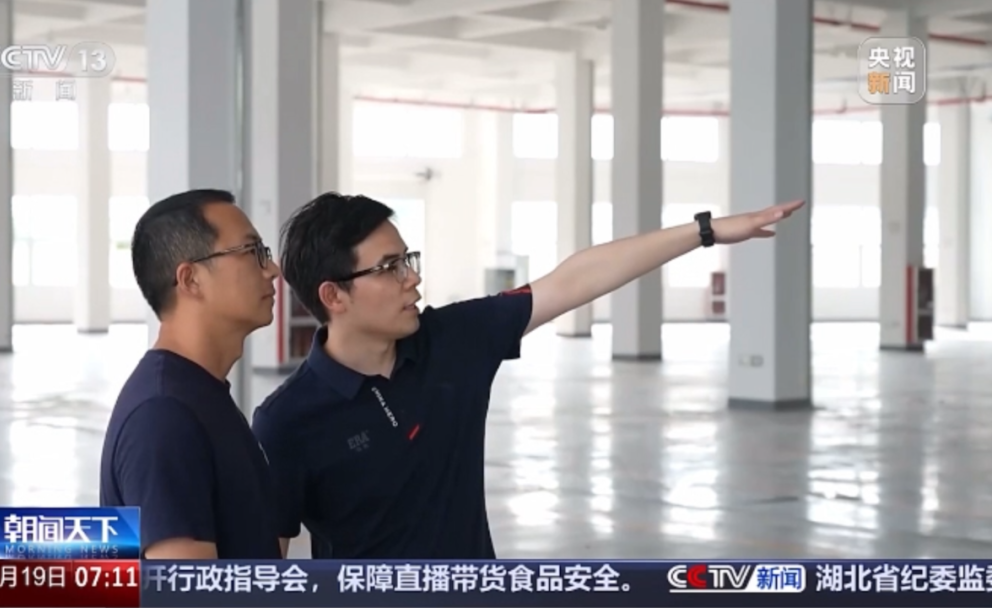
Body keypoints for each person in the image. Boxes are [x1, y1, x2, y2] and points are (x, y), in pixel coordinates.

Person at [252, 192, 804, 559]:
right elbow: (266, 568)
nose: (412, 279)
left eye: (408, 259)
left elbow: (573, 280)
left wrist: (705, 231)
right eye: (390, 267)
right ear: (333, 295)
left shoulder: (452, 342)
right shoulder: (288, 421)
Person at [100, 188, 284, 559]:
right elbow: (184, 586)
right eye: (252, 252)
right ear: (190, 280)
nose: (272, 269)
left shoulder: (201, 393)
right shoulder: (163, 417)